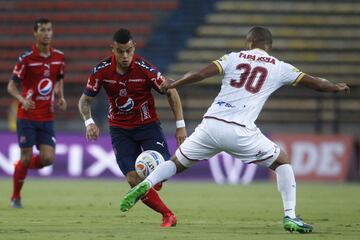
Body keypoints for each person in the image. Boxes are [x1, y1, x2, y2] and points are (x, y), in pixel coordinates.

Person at [119, 26, 350, 233]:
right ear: (268, 46)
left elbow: (198, 74)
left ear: (249, 43)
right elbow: (317, 83)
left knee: (175, 163)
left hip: (210, 125)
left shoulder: (233, 57)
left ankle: (146, 184)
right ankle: (290, 216)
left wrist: (175, 83)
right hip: (241, 131)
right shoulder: (280, 67)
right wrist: (336, 88)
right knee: (282, 161)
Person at [78, 28, 187, 227]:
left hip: (148, 126)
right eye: (120, 51)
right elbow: (84, 100)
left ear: (134, 47)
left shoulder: (144, 68)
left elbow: (171, 91)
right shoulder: (101, 71)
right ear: (113, 49)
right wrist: (89, 122)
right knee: (132, 178)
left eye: (129, 50)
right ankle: (167, 215)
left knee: (165, 168)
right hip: (120, 130)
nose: (126, 56)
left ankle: (156, 179)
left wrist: (180, 125)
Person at [7, 18, 67, 208]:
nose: (47, 33)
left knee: (48, 159)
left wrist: (60, 96)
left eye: (49, 29)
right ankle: (16, 197)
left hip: (47, 116)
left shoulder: (59, 57)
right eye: (42, 30)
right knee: (26, 156)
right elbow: (11, 86)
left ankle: (19, 167)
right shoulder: (26, 59)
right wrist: (23, 99)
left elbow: (58, 78)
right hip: (27, 116)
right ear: (35, 33)